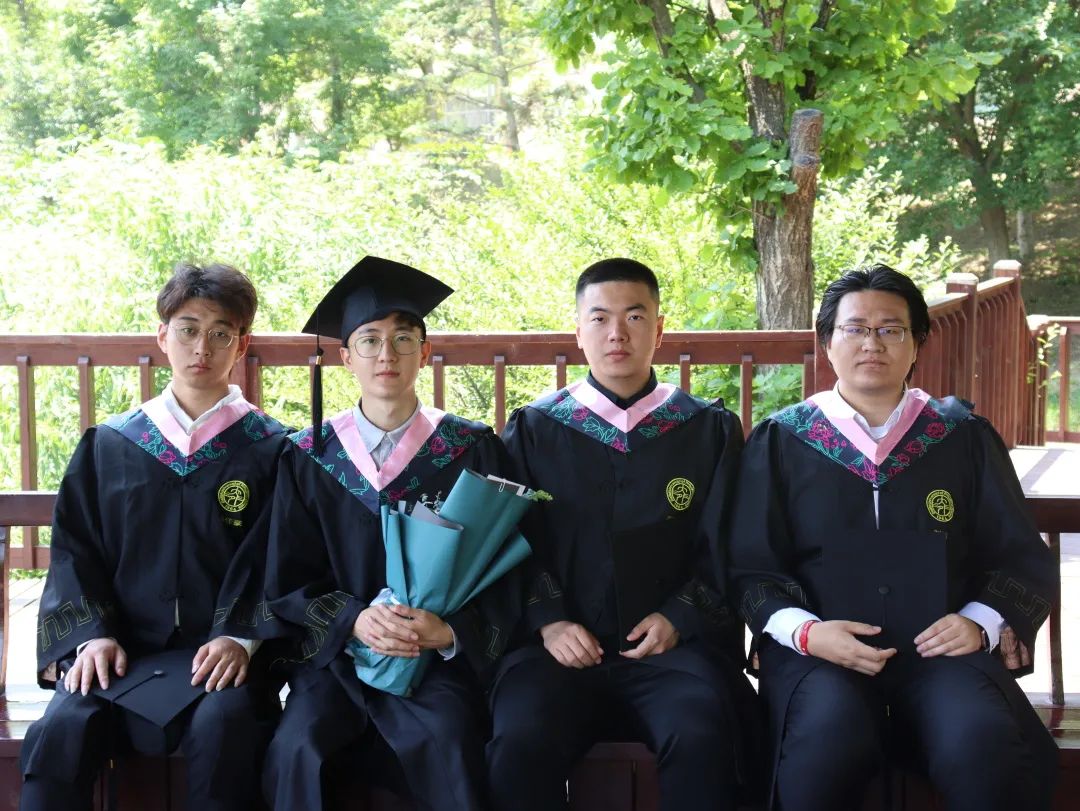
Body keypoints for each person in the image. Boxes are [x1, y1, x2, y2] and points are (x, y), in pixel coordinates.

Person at [728, 263, 1059, 811]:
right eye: (855, 328)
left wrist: (978, 622)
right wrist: (807, 633)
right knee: (825, 740)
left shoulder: (960, 437)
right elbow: (749, 565)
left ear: (917, 343)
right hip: (822, 656)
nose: (872, 343)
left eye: (890, 329)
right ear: (827, 342)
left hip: (940, 653)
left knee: (981, 742)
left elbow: (1018, 554)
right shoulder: (783, 441)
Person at [487, 258, 758, 811]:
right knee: (518, 741)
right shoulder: (536, 429)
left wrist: (680, 616)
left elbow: (730, 541)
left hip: (673, 653)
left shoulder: (706, 428)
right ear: (578, 332)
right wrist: (549, 619)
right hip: (557, 654)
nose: (617, 333)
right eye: (600, 318)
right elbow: (510, 541)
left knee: (704, 734)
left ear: (659, 330)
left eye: (635, 317)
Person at [20, 263, 289, 811]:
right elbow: (76, 552)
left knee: (225, 732)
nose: (202, 347)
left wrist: (240, 638)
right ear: (163, 336)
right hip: (121, 654)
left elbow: (281, 556)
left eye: (220, 333)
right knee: (62, 729)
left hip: (223, 660)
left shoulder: (272, 449)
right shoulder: (111, 445)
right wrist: (91, 637)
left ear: (242, 345)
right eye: (188, 329)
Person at [260, 255, 515, 811]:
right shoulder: (309, 456)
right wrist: (353, 619)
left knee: (452, 744)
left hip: (433, 662)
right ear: (346, 357)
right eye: (370, 340)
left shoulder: (469, 449)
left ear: (424, 352)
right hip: (337, 662)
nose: (386, 355)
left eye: (403, 339)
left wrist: (449, 632)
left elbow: (505, 572)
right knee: (298, 749)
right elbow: (286, 578)